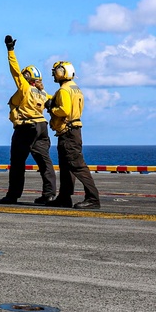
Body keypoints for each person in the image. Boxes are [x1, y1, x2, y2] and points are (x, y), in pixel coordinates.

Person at [0, 35, 57, 205]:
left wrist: (10, 50)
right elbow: (54, 103)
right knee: (45, 161)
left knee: (17, 162)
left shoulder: (25, 88)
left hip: (26, 127)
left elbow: (14, 70)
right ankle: (49, 194)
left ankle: (13, 195)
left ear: (27, 77)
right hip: (42, 126)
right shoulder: (42, 93)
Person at [46, 60, 101, 209]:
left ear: (61, 72)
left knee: (77, 166)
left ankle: (93, 198)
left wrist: (52, 109)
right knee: (66, 167)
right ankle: (64, 197)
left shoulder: (64, 90)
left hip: (68, 132)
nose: (53, 74)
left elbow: (63, 110)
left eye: (55, 71)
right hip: (73, 130)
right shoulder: (75, 88)